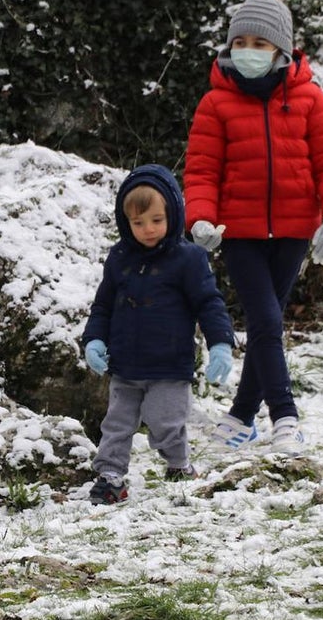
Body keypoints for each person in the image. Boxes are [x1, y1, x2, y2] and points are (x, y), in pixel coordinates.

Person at [183, 0, 323, 455]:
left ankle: (241, 416)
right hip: (237, 232)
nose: (249, 50)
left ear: (281, 50)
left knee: (266, 323)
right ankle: (285, 415)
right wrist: (199, 218)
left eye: (260, 43)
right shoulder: (215, 103)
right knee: (264, 320)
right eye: (240, 42)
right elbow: (200, 170)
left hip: (296, 229)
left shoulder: (309, 100)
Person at [81, 164, 235, 504]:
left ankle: (178, 463)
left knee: (165, 422)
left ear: (172, 214)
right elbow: (103, 305)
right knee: (117, 425)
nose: (148, 230)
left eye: (155, 220)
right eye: (138, 223)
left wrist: (221, 343)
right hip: (124, 365)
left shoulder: (188, 259)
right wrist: (94, 340)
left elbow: (209, 302)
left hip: (169, 365)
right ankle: (110, 477)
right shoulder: (119, 258)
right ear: (126, 223)